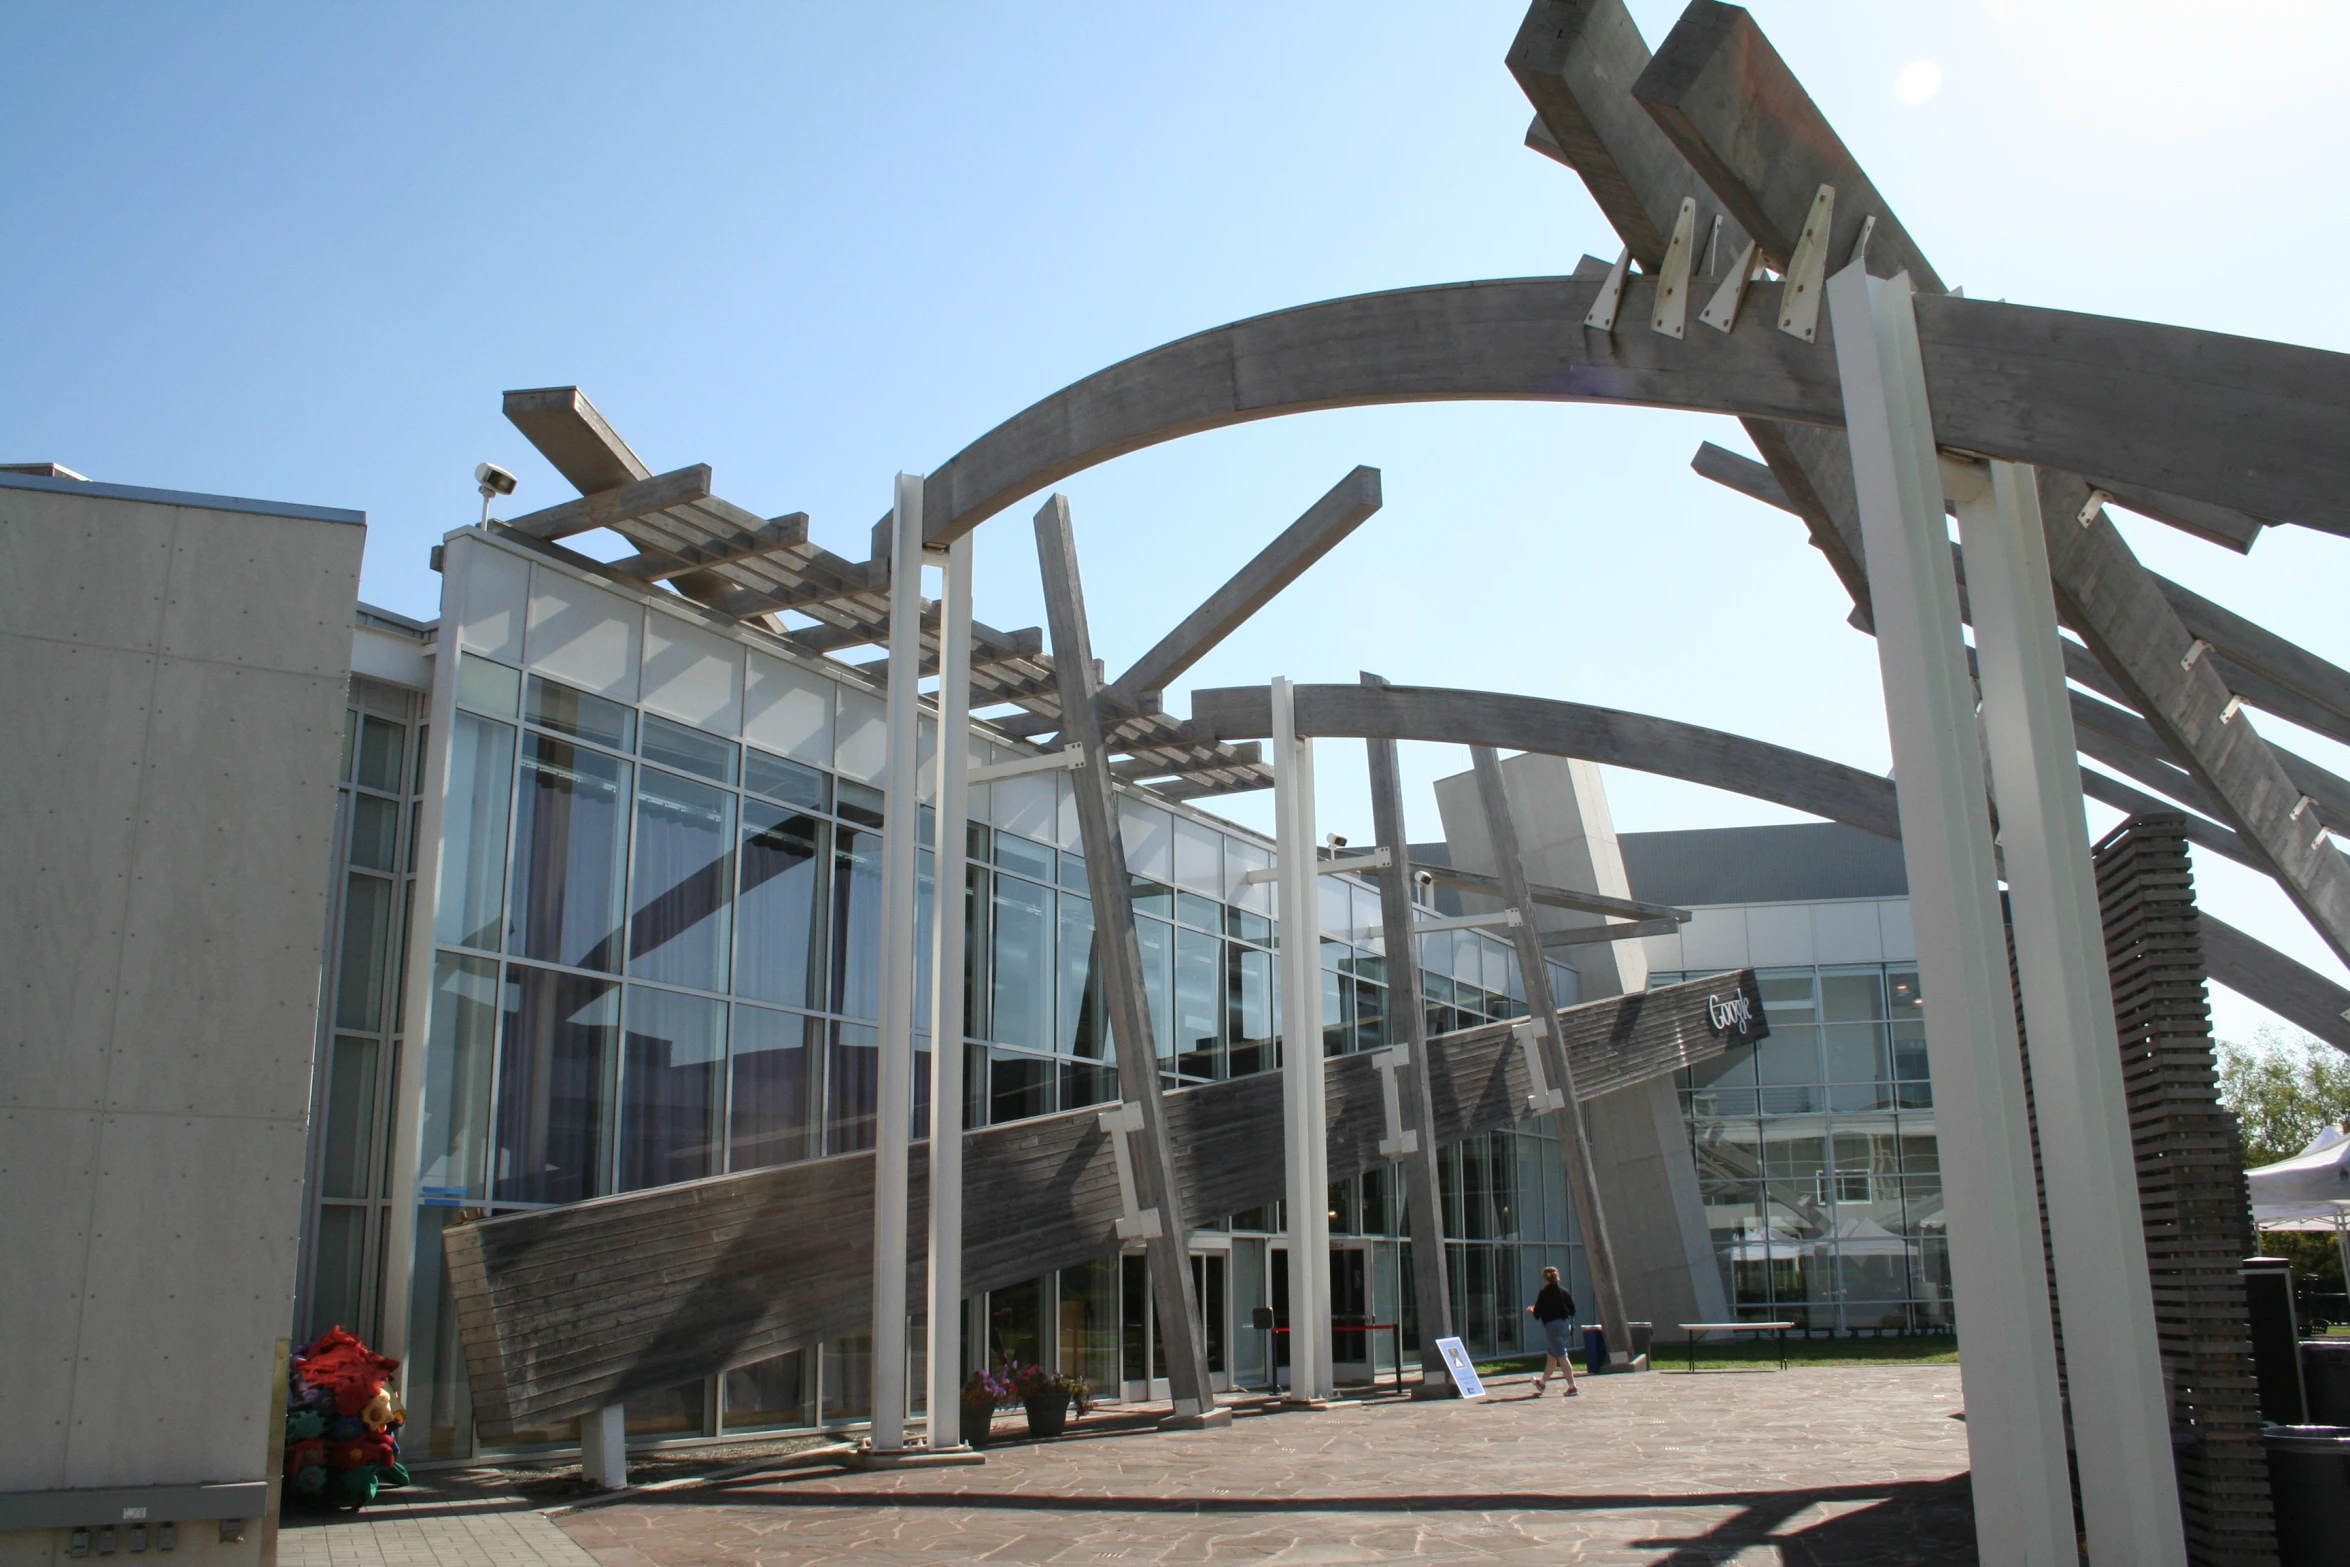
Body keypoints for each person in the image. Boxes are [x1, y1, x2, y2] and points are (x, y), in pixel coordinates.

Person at [1524, 1267, 1580, 1397]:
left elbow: (1538, 1314)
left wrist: (1532, 1310)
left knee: (1562, 1356)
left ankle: (1572, 1386)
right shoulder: (1564, 1292)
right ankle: (1542, 1382)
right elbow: (1572, 1310)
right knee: (1552, 1356)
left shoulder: (1544, 1293)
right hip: (1565, 1326)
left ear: (1545, 1279)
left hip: (1552, 1327)